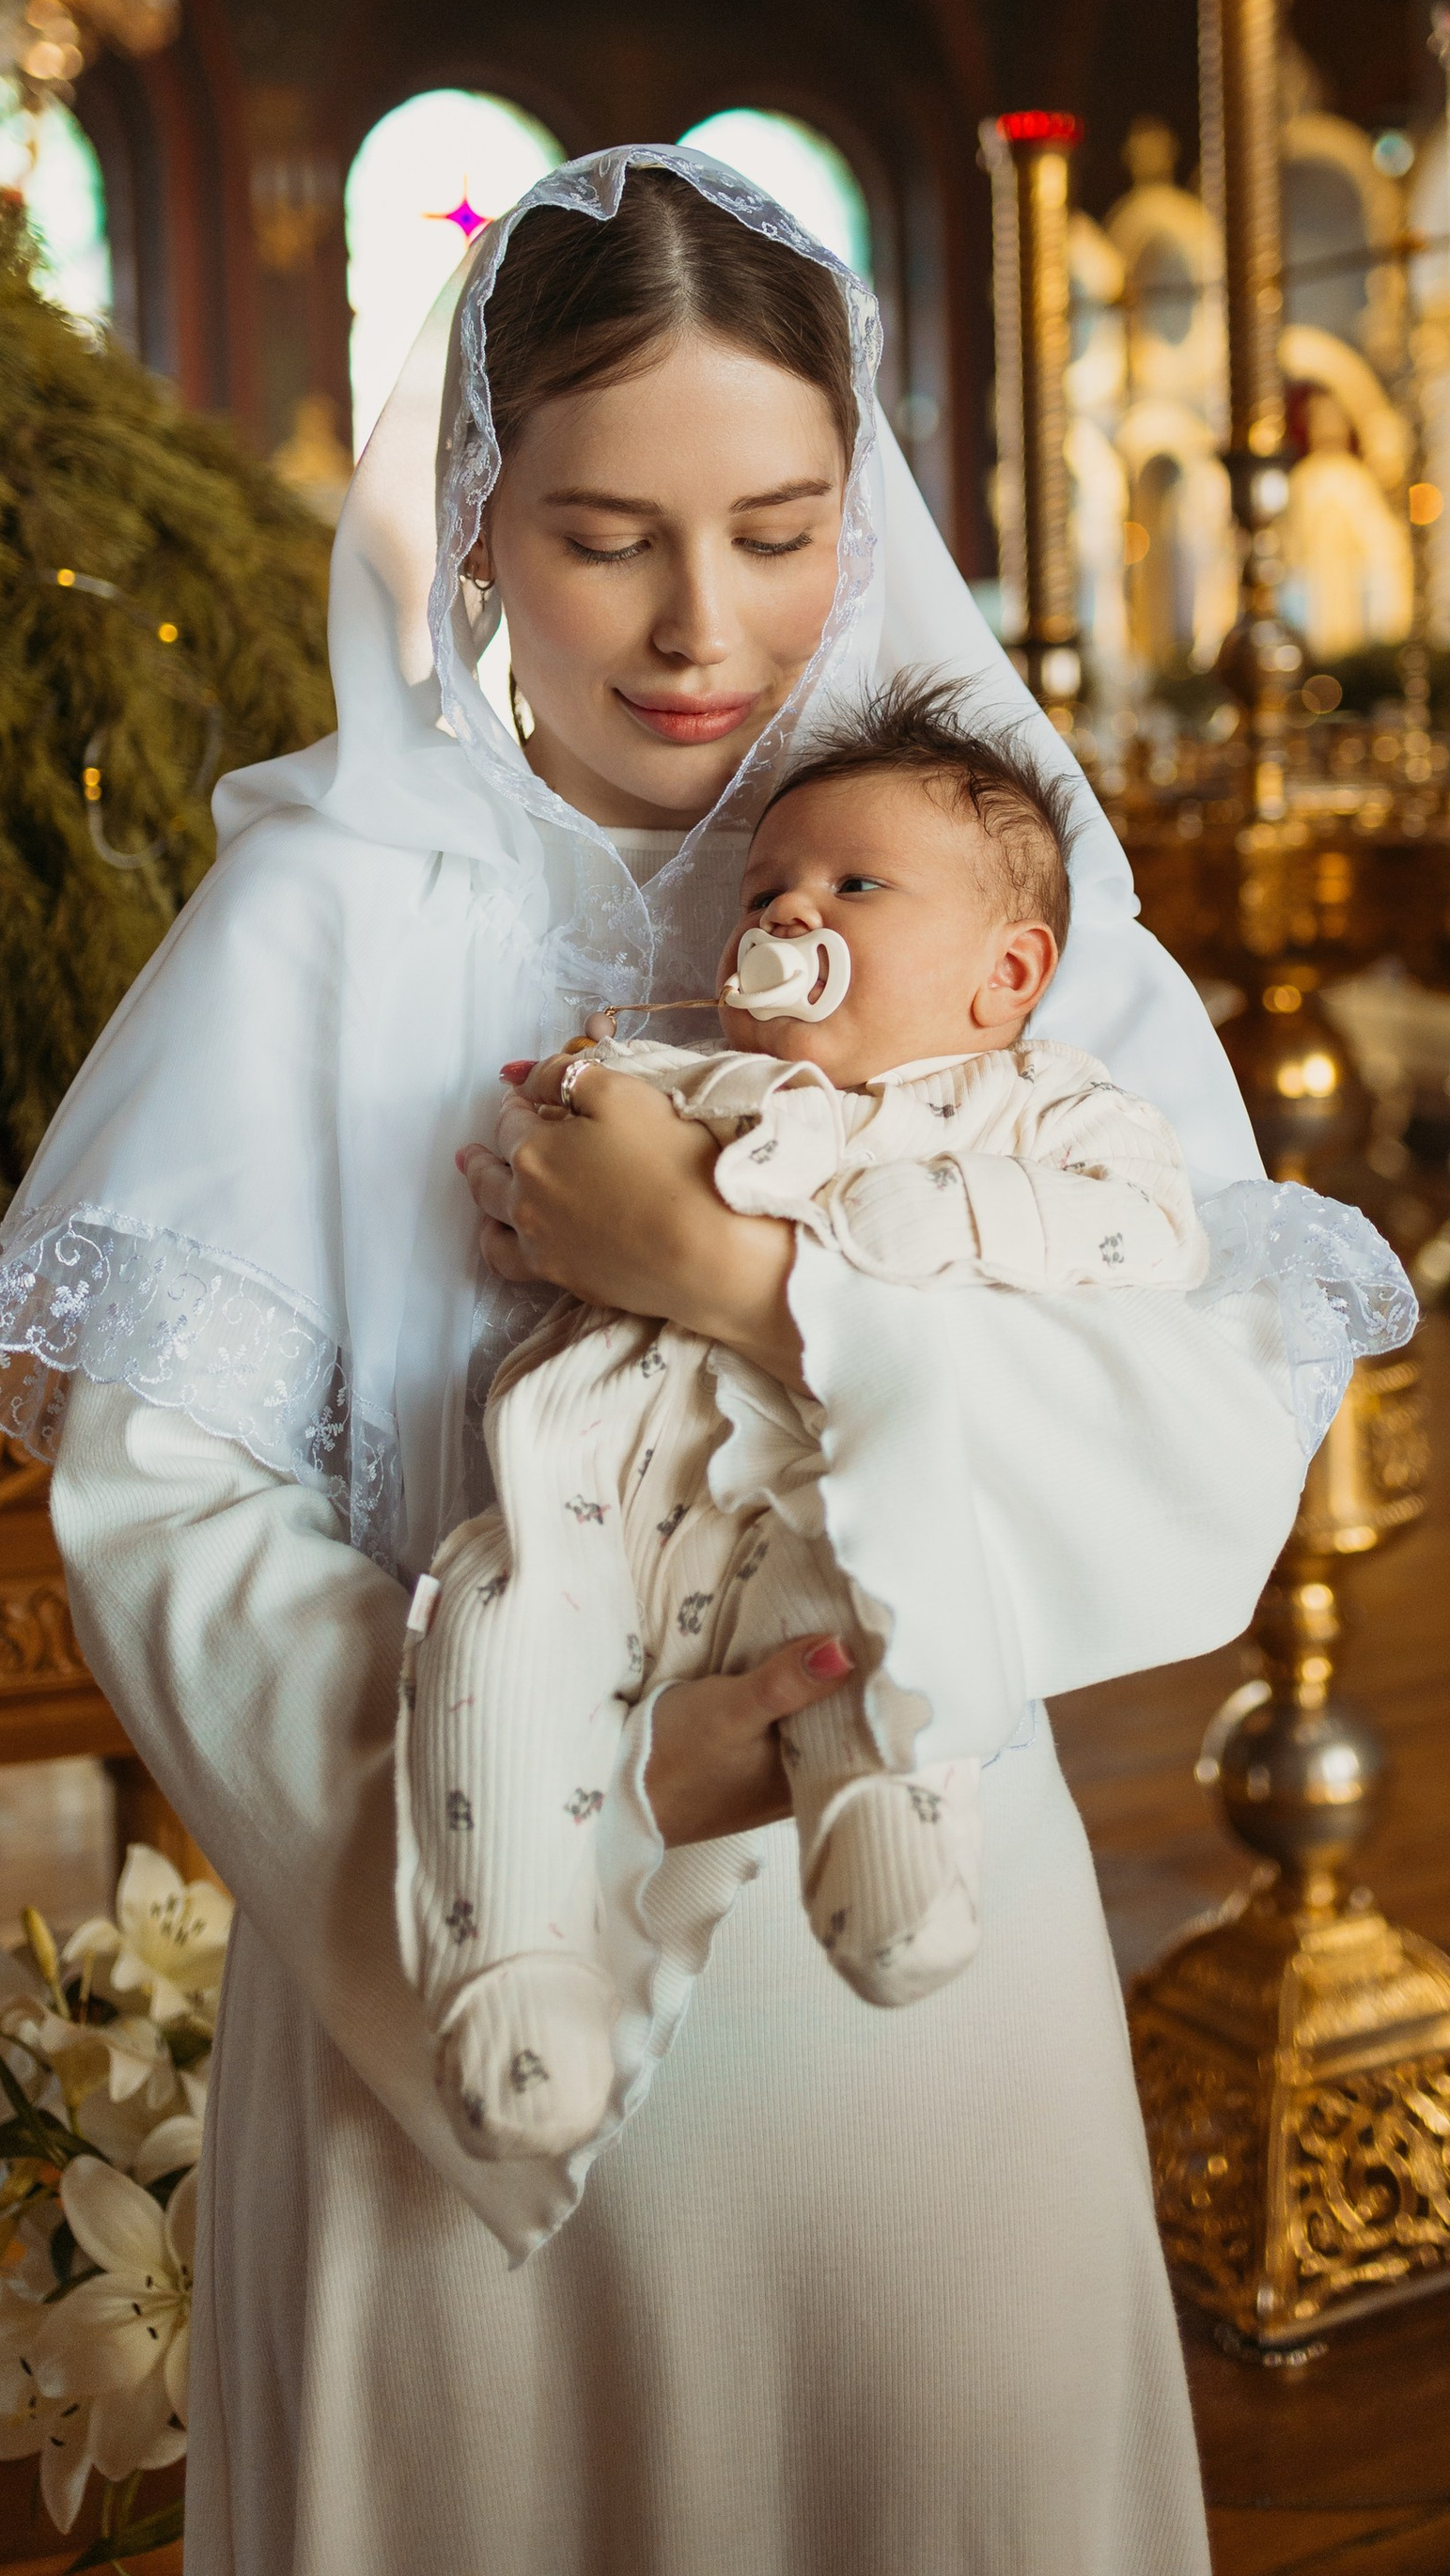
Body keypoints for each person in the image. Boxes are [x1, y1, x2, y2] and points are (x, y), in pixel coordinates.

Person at [0, 148, 1415, 2576]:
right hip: (461, 1994)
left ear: (870, 505)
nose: (700, 625)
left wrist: (743, 1283)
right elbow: (160, 1519)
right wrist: (590, 1766)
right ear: (482, 518)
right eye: (610, 533)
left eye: (781, 526)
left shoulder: (1015, 918)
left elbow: (1203, 1443)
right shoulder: (321, 924)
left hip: (909, 2000)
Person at [398, 676, 1208, 2179]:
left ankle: (885, 1844)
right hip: (600, 1492)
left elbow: (1148, 1240)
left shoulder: (1040, 1110)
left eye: (853, 885)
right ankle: (511, 1972)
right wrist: (561, 1118)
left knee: (870, 1613)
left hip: (821, 1485)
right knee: (492, 1638)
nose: (788, 914)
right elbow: (578, 1166)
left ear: (1007, 970)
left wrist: (942, 1207)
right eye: (766, 887)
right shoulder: (716, 1084)